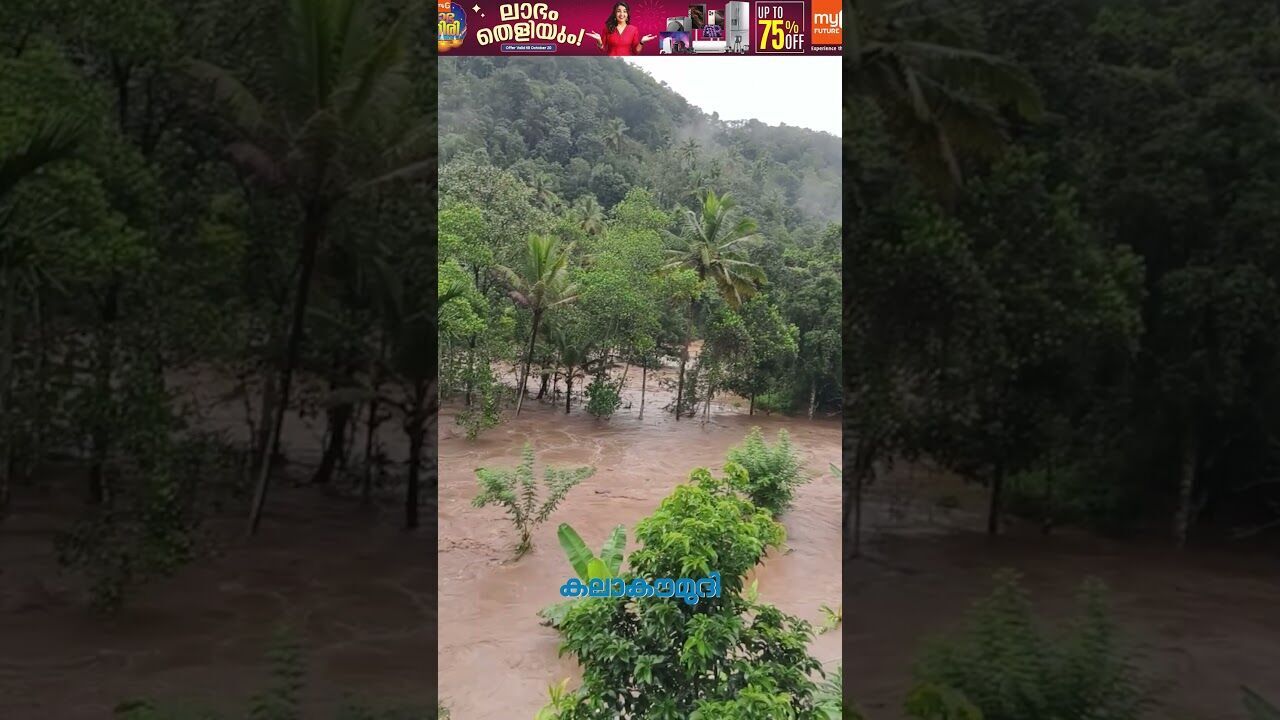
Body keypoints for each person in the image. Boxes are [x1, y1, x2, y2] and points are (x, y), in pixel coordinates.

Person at [586, 2, 656, 56]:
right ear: (615, 13)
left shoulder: (633, 29)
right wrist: (599, 40)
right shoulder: (607, 28)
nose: (622, 14)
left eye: (625, 11)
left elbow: (636, 51)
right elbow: (603, 49)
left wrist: (642, 42)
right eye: (619, 11)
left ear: (627, 14)